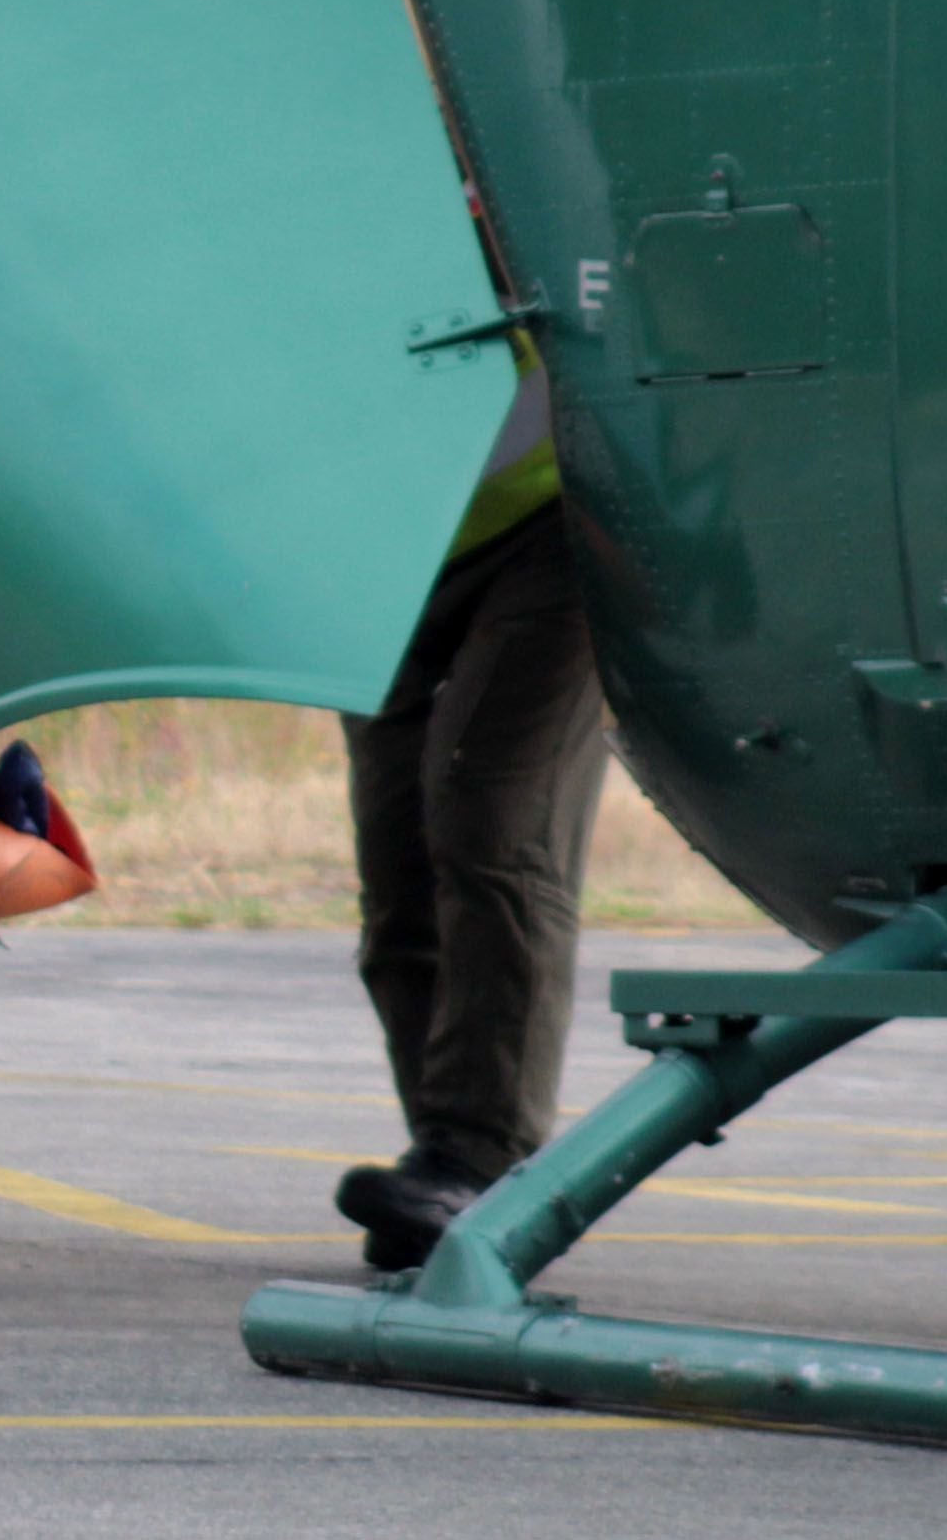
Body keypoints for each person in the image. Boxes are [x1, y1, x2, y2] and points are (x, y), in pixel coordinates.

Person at [334, 356, 601, 1268]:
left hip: (555, 511)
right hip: (383, 540)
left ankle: (480, 1155)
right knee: (397, 858)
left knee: (489, 820)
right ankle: (441, 1170)